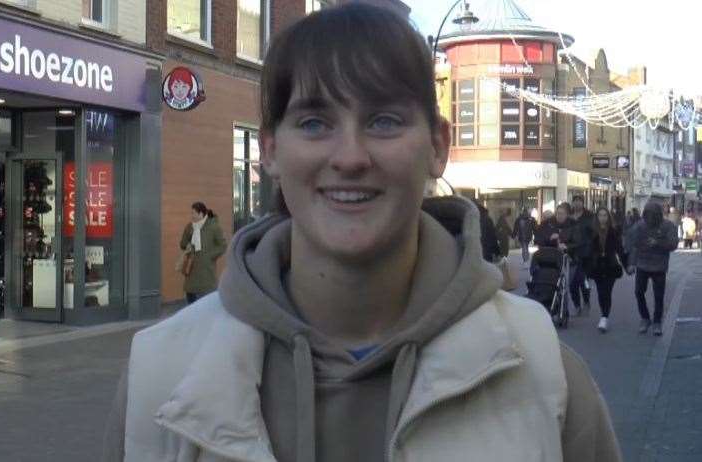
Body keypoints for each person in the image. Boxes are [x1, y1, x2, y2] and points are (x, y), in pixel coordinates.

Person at [104, 6, 621, 462]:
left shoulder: (541, 372)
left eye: (385, 121)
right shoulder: (161, 378)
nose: (350, 157)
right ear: (271, 151)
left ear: (438, 146)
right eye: (313, 123)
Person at [626, 202, 678, 336]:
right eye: (647, 215)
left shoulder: (668, 226)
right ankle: (645, 318)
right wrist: (631, 263)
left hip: (659, 265)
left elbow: (673, 244)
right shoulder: (640, 226)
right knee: (638, 292)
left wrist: (658, 243)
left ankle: (657, 322)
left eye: (653, 215)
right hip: (642, 264)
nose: (650, 218)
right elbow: (634, 245)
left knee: (658, 296)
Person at [178, 202, 227, 304]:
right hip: (191, 268)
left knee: (205, 304)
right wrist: (186, 245)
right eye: (191, 213)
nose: (192, 216)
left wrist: (210, 256)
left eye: (193, 213)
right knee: (191, 303)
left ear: (201, 214)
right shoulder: (190, 227)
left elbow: (223, 245)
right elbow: (182, 244)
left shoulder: (213, 227)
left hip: (206, 272)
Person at [585, 208, 624, 333]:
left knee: (607, 291)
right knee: (601, 293)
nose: (603, 218)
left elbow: (620, 249)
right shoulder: (591, 232)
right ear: (597, 217)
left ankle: (604, 317)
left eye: (605, 215)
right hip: (597, 266)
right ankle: (604, 314)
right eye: (600, 215)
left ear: (608, 217)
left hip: (610, 265)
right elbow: (587, 250)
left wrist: (627, 264)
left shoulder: (614, 231)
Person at [569, 195, 594, 316]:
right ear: (572, 203)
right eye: (575, 201)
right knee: (572, 282)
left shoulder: (589, 216)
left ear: (583, 203)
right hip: (572, 254)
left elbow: (594, 233)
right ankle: (577, 305)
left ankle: (586, 301)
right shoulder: (569, 217)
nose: (577, 204)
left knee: (583, 280)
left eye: (579, 201)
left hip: (585, 253)